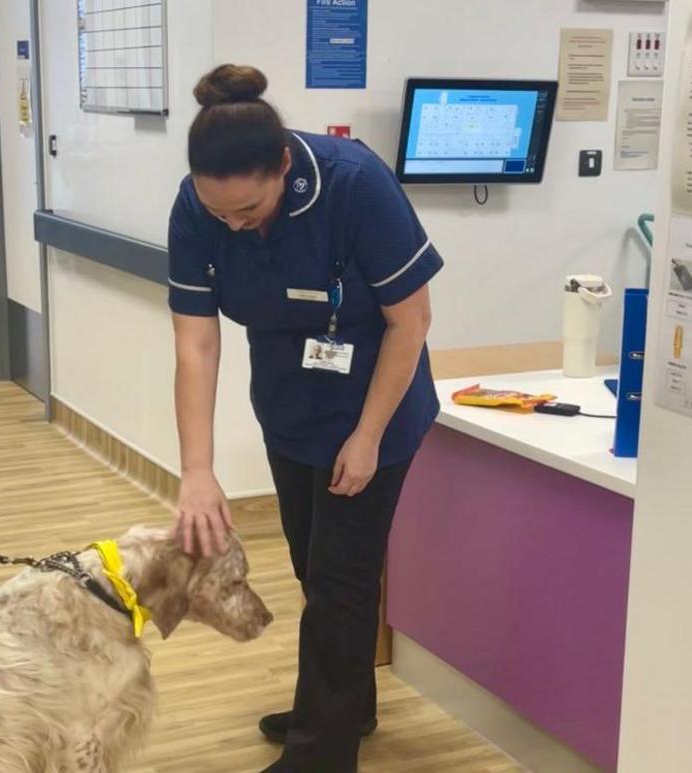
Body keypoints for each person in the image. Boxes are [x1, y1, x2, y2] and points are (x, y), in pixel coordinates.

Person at [167, 64, 442, 772]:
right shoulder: (196, 207)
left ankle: (321, 753)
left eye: (248, 211)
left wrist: (370, 434)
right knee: (311, 564)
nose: (233, 224)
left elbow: (410, 322)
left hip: (377, 404)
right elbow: (196, 341)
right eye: (218, 213)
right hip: (291, 407)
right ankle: (346, 703)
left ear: (284, 165)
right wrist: (196, 470)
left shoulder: (354, 184)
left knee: (343, 578)